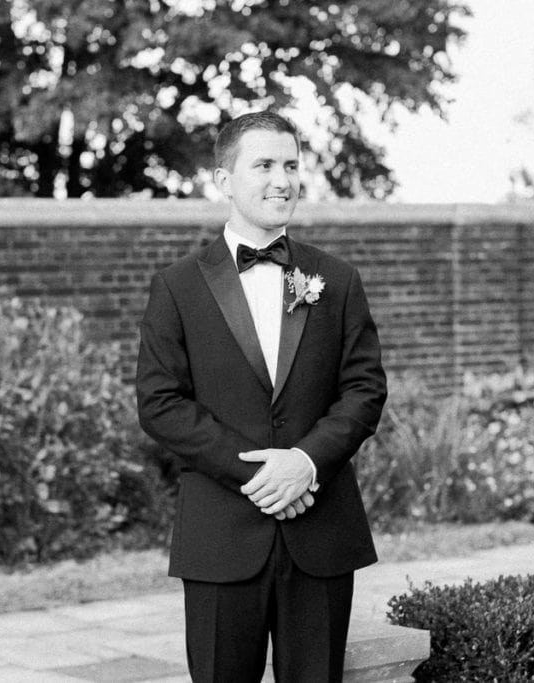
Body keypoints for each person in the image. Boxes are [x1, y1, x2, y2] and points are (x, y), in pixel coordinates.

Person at [136, 111, 387, 681]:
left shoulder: (337, 279)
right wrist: (261, 476)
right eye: (265, 165)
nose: (283, 179)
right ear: (224, 180)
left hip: (320, 532)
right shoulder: (177, 286)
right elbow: (160, 402)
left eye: (292, 165)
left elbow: (364, 389)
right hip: (220, 537)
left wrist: (305, 462)